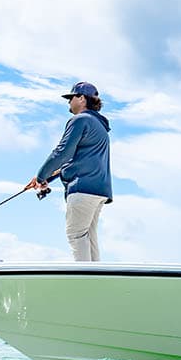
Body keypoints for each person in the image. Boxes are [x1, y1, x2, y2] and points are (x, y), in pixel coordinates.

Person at [27, 81, 112, 262]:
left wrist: (41, 176)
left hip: (82, 189)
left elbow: (62, 153)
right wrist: (46, 177)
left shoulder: (80, 120)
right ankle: (96, 276)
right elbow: (76, 158)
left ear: (82, 98)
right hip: (99, 191)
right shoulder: (100, 126)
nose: (68, 102)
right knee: (89, 238)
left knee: (76, 235)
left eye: (71, 97)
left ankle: (84, 277)